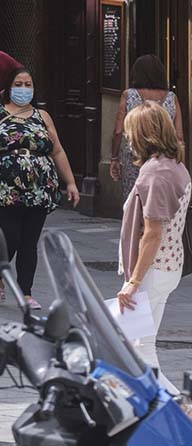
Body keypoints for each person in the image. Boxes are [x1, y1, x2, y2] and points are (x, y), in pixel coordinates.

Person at [0, 67, 80, 308]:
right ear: (7, 87)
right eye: (19, 83)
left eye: (28, 84)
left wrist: (71, 182)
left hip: (39, 188)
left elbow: (57, 150)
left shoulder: (42, 116)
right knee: (8, 236)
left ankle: (26, 291)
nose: (23, 89)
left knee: (29, 241)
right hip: (3, 188)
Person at [117, 102, 190, 394]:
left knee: (138, 348)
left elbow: (152, 233)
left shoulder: (156, 173)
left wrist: (133, 283)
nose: (127, 137)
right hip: (167, 267)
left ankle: (178, 410)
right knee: (139, 346)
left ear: (143, 134)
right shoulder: (175, 166)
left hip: (152, 270)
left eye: (130, 131)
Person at [110, 55, 184, 205]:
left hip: (134, 158)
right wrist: (180, 164)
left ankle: (136, 228)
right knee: (159, 203)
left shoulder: (129, 95)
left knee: (133, 201)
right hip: (165, 159)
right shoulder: (171, 97)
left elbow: (118, 131)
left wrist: (114, 158)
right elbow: (179, 137)